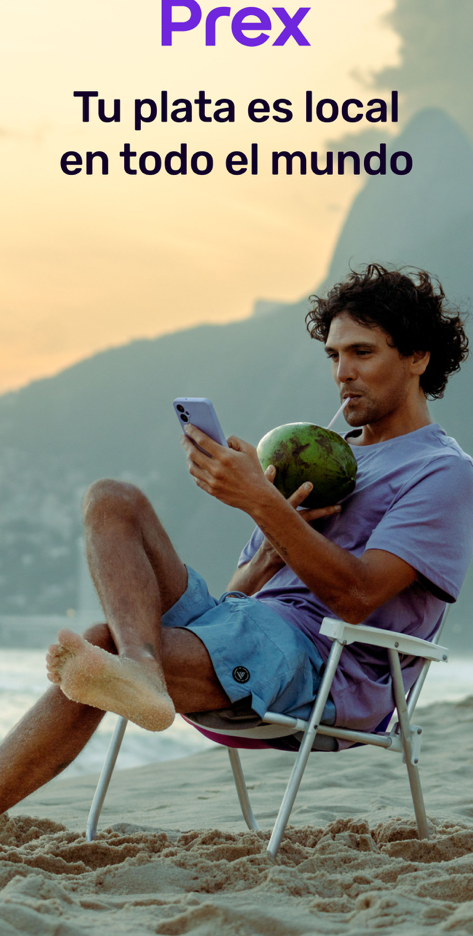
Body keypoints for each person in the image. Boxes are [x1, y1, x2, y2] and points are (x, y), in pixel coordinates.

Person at [0, 263, 472, 811]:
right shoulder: (319, 453)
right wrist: (270, 547)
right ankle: (144, 671)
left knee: (101, 642)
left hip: (319, 666)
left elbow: (358, 597)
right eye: (334, 355)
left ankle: (138, 669)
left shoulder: (440, 471)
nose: (343, 371)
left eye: (362, 353)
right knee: (111, 499)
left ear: (418, 358)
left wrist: (260, 501)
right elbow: (238, 599)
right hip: (248, 632)